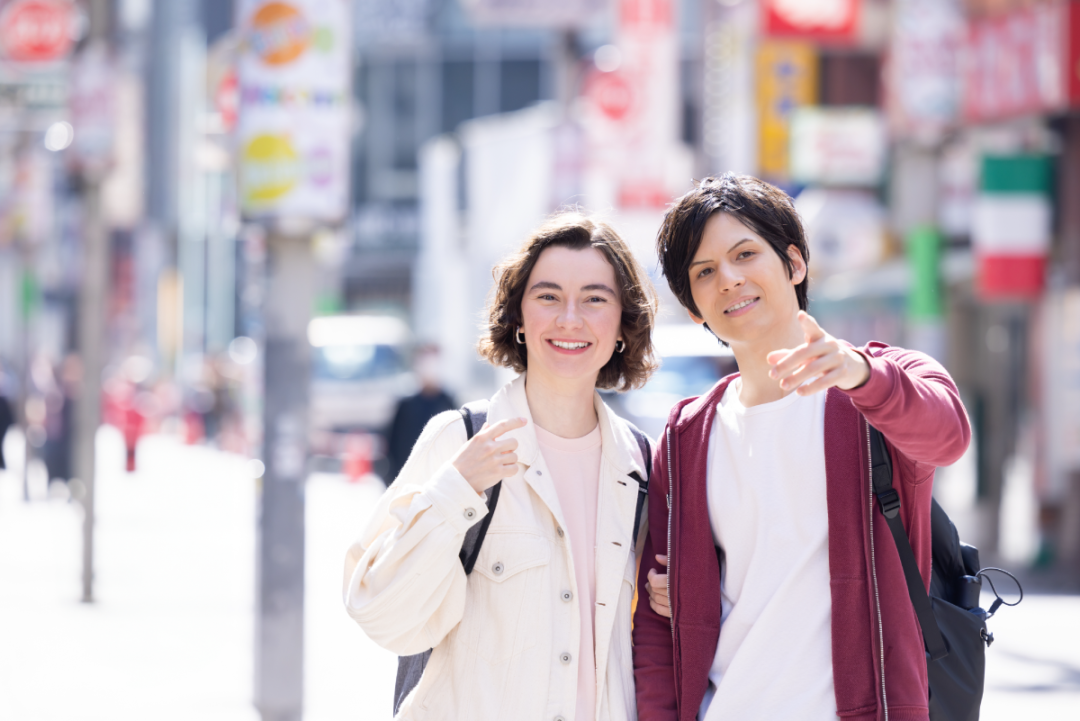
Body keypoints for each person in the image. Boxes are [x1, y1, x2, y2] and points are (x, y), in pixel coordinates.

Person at [633, 174, 971, 721]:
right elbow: (656, 628)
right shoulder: (688, 434)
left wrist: (863, 377)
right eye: (705, 272)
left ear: (794, 264)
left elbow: (948, 436)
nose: (730, 279)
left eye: (745, 254)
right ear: (693, 308)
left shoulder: (879, 382)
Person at [344, 212, 658, 720]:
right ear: (518, 317)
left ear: (624, 325)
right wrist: (455, 491)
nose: (570, 319)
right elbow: (381, 614)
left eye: (595, 299)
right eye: (548, 296)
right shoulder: (460, 439)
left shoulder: (640, 465)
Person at [384, 344, 456, 486]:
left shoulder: (448, 402)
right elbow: (392, 444)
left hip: (439, 482)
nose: (430, 368)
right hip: (408, 480)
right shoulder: (406, 403)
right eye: (425, 362)